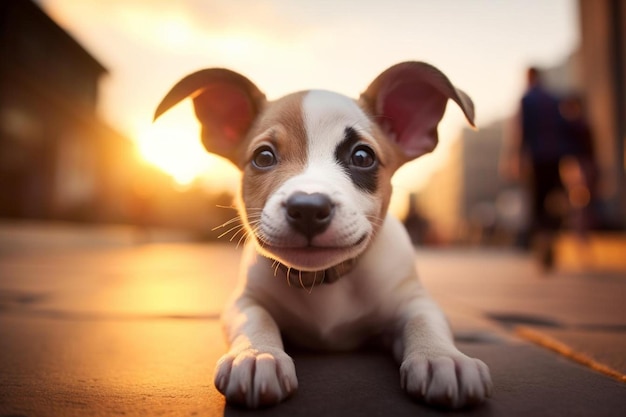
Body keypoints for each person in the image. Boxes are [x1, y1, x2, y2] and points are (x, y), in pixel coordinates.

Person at [505, 67, 568, 270]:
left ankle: (543, 243)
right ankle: (551, 235)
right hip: (554, 156)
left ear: (529, 78)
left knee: (537, 203)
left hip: (536, 158)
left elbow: (521, 131)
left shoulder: (527, 99)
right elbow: (561, 128)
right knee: (554, 198)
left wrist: (516, 158)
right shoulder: (553, 99)